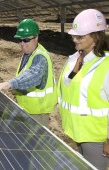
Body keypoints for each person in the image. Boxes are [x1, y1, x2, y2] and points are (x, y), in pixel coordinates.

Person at [57, 9, 109, 170]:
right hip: (76, 131)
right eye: (74, 35)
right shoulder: (75, 58)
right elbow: (67, 86)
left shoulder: (105, 65)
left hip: (96, 137)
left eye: (80, 36)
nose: (74, 39)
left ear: (95, 36)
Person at [0, 18, 57, 127]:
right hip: (25, 109)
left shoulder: (40, 57)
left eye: (26, 40)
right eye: (20, 40)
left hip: (37, 114)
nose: (22, 44)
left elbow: (33, 76)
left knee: (34, 143)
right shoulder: (28, 53)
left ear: (36, 37)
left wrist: (9, 84)